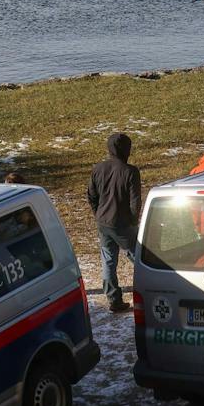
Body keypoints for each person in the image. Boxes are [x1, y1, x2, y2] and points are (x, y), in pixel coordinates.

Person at [86, 132, 143, 313]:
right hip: (123, 224)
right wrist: (133, 221)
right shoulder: (130, 172)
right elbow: (135, 202)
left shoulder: (98, 168)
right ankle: (154, 291)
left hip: (103, 223)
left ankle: (114, 300)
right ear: (127, 150)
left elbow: (91, 196)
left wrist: (98, 214)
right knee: (140, 259)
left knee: (108, 261)